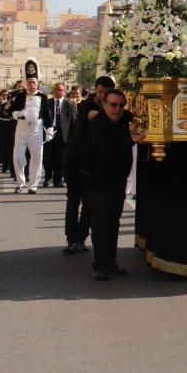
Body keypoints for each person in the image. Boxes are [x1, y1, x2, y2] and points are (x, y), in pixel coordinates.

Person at [80, 88, 145, 280]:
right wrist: (130, 140)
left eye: (121, 105)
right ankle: (100, 264)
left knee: (112, 221)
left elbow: (140, 120)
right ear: (104, 105)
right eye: (113, 105)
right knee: (100, 222)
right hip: (96, 179)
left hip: (117, 179)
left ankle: (111, 261)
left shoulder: (126, 119)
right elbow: (103, 152)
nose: (117, 109)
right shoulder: (96, 125)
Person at [62, 75, 116, 256]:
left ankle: (81, 238)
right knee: (73, 200)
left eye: (107, 93)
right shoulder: (86, 106)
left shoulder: (111, 106)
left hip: (92, 163)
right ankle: (71, 239)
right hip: (75, 159)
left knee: (89, 203)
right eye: (100, 92)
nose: (103, 96)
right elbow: (96, 117)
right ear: (96, 90)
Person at [10, 63, 55, 194]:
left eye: (34, 82)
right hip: (22, 129)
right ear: (26, 83)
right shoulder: (19, 95)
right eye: (29, 82)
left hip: (36, 129)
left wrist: (50, 130)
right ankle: (20, 183)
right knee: (18, 156)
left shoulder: (43, 97)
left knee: (36, 157)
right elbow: (12, 111)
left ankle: (33, 185)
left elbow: (47, 114)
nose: (31, 85)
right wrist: (19, 114)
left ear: (37, 83)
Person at [43, 83, 75, 188]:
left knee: (61, 158)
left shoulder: (69, 104)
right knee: (48, 157)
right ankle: (47, 178)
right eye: (57, 89)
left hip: (63, 133)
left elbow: (73, 121)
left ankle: (58, 180)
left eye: (61, 90)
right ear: (53, 91)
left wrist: (72, 136)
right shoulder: (47, 103)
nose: (59, 91)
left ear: (64, 92)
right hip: (49, 132)